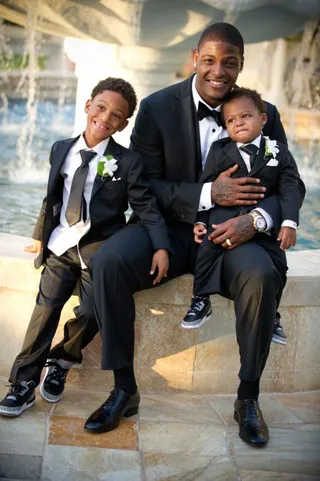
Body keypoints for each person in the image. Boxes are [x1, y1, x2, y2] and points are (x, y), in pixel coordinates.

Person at [82, 22, 305, 447]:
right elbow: (144, 185)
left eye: (229, 63)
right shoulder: (156, 106)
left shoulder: (264, 112)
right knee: (108, 261)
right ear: (195, 59)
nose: (218, 71)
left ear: (241, 65)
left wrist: (254, 221)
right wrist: (208, 192)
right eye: (209, 60)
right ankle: (124, 388)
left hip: (232, 235)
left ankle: (248, 398)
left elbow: (289, 182)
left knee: (260, 276)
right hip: (167, 228)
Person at [0, 77, 170, 418]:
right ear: (88, 105)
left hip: (99, 250)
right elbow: (52, 198)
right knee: (45, 310)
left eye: (116, 115)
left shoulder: (128, 162)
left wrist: (161, 247)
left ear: (123, 124)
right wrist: (39, 234)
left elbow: (146, 207)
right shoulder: (61, 148)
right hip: (61, 246)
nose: (105, 118)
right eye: (101, 107)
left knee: (94, 312)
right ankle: (23, 383)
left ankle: (63, 358)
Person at [181, 87, 300, 349]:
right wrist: (200, 222)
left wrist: (289, 223)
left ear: (263, 119)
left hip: (262, 227)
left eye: (245, 116)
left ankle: (272, 314)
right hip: (222, 219)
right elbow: (206, 185)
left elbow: (290, 188)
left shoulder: (278, 151)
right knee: (207, 247)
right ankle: (200, 298)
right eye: (231, 121)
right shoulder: (219, 150)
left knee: (278, 264)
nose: (238, 123)